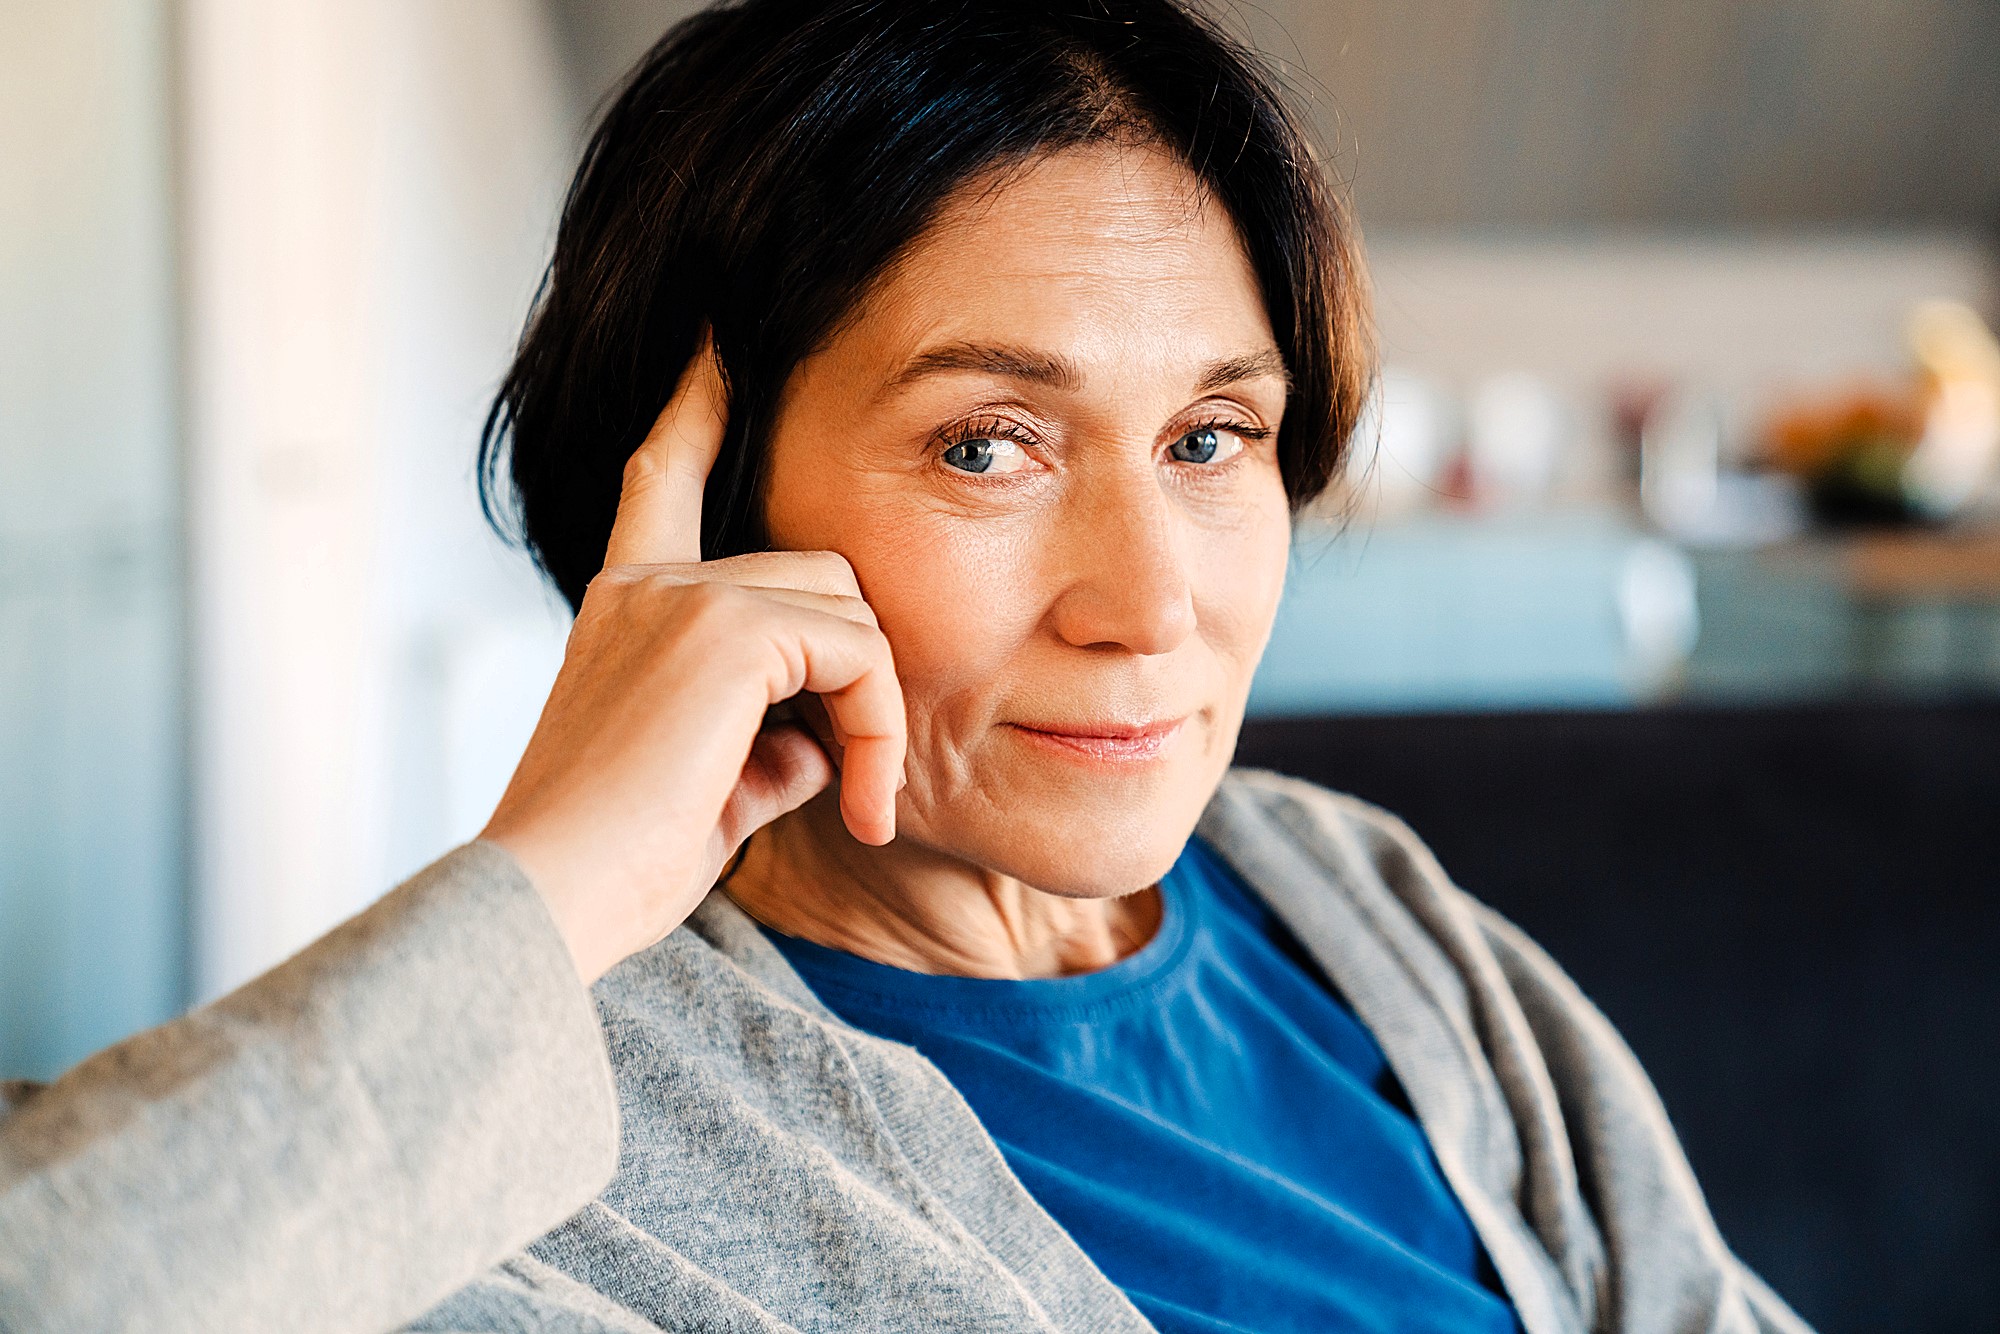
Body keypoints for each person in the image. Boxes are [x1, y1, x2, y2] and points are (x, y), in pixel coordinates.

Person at [0, 1, 1812, 1331]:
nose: (1150, 604)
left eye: (1209, 439)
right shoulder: (552, 1164)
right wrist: (550, 892)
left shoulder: (1347, 895)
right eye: (989, 445)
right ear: (707, 501)